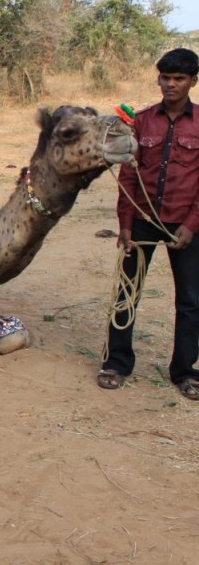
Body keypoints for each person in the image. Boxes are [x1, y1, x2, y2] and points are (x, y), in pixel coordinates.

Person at [98, 47, 199, 400]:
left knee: (190, 300)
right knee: (126, 293)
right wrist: (125, 222)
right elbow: (129, 174)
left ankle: (185, 371)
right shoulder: (141, 121)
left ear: (192, 81)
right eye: (165, 77)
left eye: (179, 78)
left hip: (184, 223)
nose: (170, 84)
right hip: (141, 219)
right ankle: (116, 364)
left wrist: (192, 224)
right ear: (158, 79)